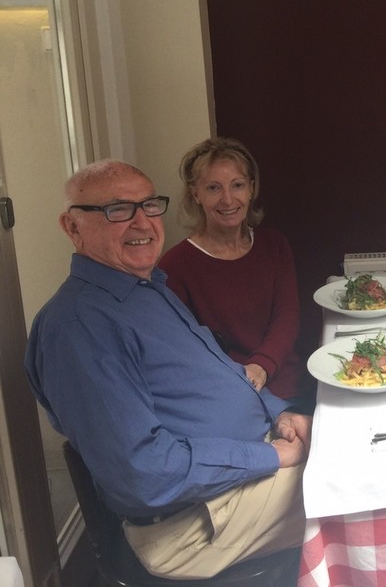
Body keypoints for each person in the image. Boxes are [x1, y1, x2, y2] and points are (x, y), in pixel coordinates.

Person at [25, 160, 309, 579]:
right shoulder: (79, 328)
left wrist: (279, 413)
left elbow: (223, 374)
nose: (142, 222)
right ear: (72, 227)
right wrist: (269, 455)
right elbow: (145, 473)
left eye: (149, 205)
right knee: (361, 490)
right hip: (191, 525)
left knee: (365, 443)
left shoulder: (147, 287)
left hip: (237, 476)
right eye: (117, 209)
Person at [158, 137, 305, 400]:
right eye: (213, 188)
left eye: (237, 185)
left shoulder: (274, 246)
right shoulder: (175, 265)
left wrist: (261, 367)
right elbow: (183, 352)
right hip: (226, 394)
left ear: (251, 189)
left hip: (284, 382)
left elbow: (287, 318)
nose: (228, 199)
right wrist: (239, 380)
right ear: (196, 194)